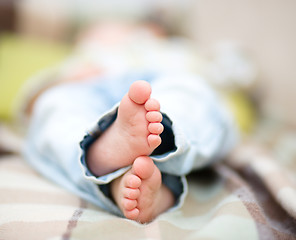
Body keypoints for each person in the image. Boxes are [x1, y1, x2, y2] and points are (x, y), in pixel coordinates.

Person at [21, 22, 238, 223]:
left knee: (188, 95)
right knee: (56, 104)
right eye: (97, 31)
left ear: (153, 31)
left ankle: (161, 139)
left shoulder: (176, 51)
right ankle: (104, 160)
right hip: (91, 89)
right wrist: (67, 79)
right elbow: (31, 103)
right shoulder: (76, 63)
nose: (110, 32)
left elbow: (222, 82)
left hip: (162, 81)